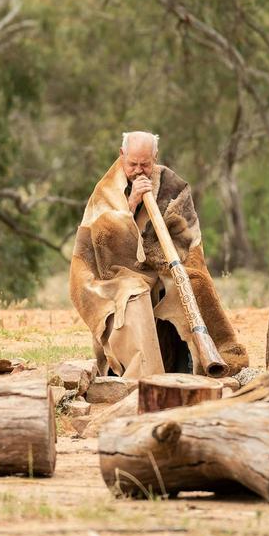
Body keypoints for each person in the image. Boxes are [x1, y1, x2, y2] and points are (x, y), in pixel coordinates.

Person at [69, 131, 250, 378]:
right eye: (132, 164)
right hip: (118, 273)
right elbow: (98, 247)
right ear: (122, 155)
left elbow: (190, 239)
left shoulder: (172, 185)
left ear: (155, 157)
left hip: (164, 267)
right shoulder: (106, 191)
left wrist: (166, 263)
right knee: (133, 296)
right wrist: (130, 206)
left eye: (145, 164)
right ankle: (142, 379)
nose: (139, 170)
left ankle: (193, 368)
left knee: (192, 284)